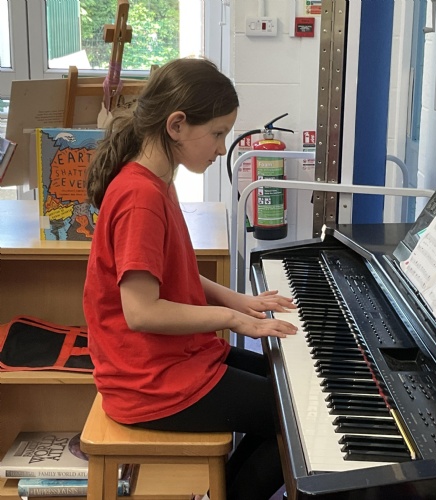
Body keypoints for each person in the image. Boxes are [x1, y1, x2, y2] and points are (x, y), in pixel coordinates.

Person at [82, 57, 298, 500]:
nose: (222, 149)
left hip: (169, 362)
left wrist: (239, 301)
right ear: (176, 125)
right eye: (218, 134)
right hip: (147, 383)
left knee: (288, 389)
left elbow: (176, 275)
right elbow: (142, 312)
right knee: (293, 420)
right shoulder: (140, 197)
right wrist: (234, 321)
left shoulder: (157, 181)